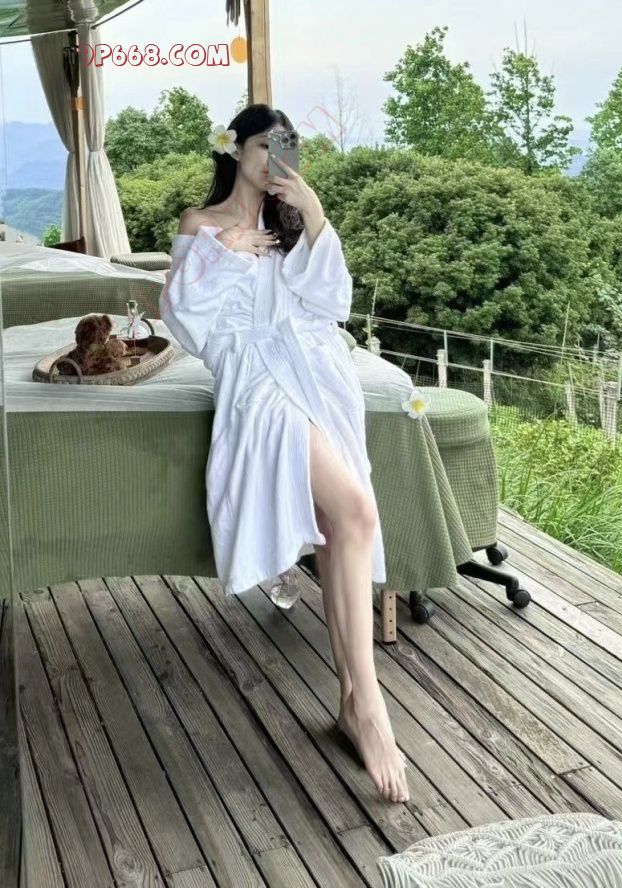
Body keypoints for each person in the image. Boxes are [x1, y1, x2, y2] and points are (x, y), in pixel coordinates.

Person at [159, 103, 409, 804]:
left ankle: (355, 700)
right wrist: (224, 250)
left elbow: (330, 304)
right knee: (355, 511)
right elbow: (186, 323)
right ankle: (368, 706)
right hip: (255, 378)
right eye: (267, 146)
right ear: (235, 149)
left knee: (340, 522)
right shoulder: (200, 223)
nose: (277, 161)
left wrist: (316, 214)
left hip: (316, 371)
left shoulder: (291, 224)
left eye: (288, 149)